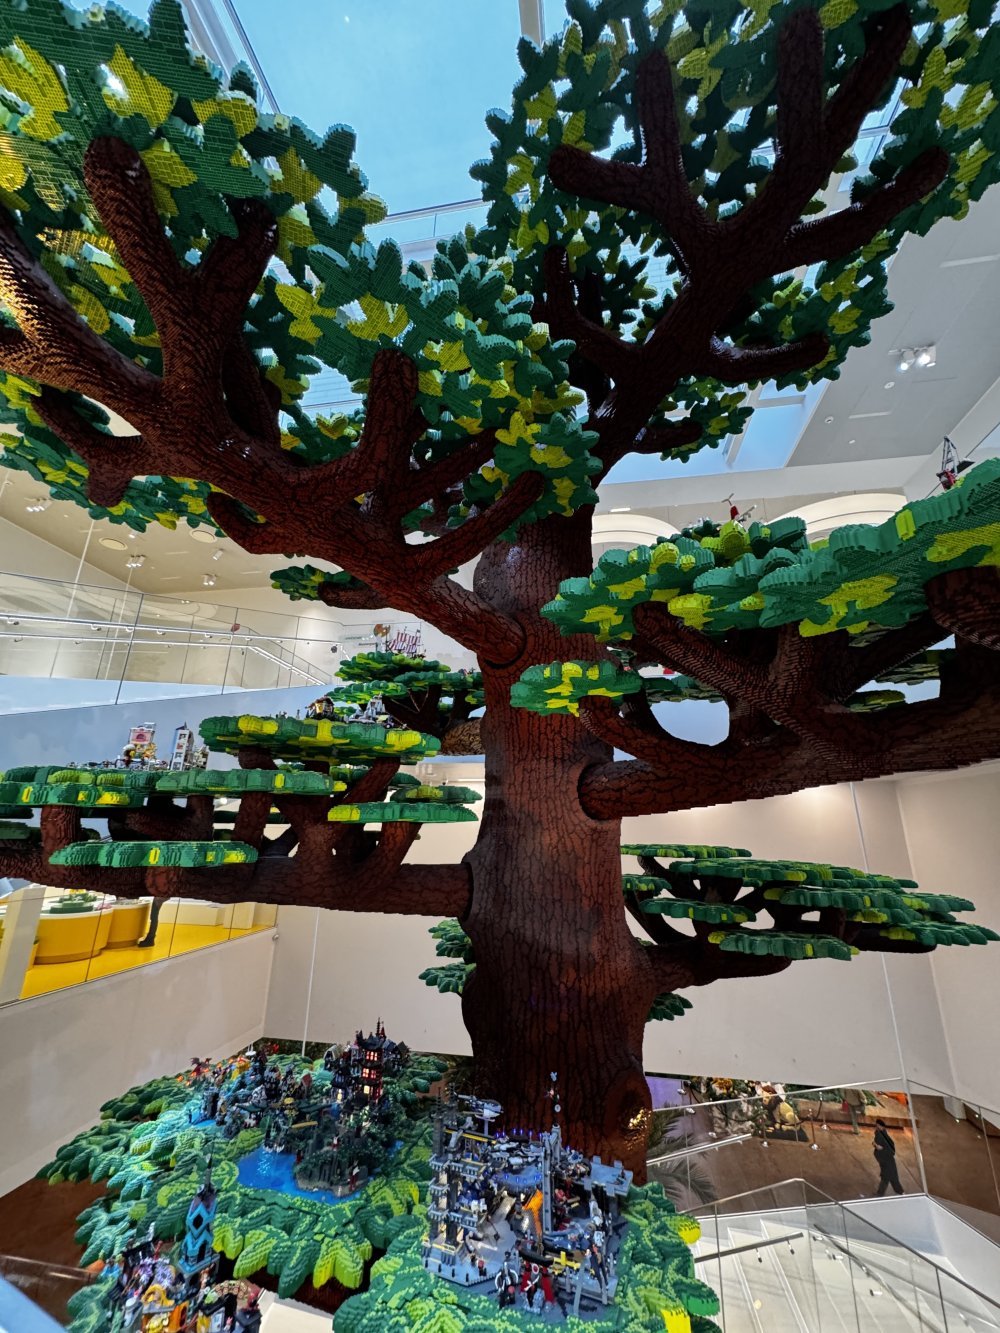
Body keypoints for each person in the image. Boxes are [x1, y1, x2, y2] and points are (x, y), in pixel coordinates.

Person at [873, 1118, 904, 1195]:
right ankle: (900, 1192)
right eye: (876, 1125)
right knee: (891, 1177)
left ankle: (881, 1193)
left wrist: (876, 1146)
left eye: (878, 1126)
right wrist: (875, 1144)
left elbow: (885, 1148)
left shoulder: (881, 1136)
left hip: (887, 1161)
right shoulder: (880, 1134)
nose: (877, 1127)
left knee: (887, 1178)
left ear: (882, 1126)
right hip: (886, 1160)